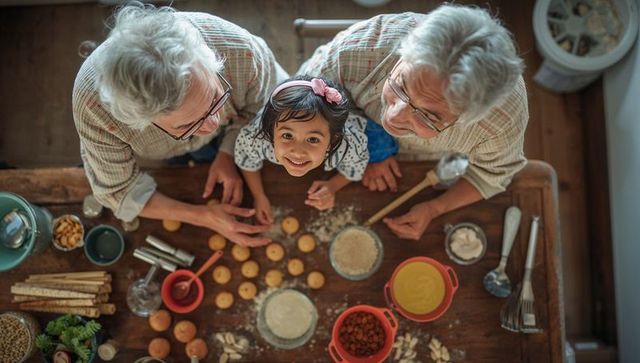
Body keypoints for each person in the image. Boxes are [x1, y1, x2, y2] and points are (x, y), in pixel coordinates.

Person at [297, 4, 528, 240]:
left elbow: (490, 175)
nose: (394, 116)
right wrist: (372, 147)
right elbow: (305, 100)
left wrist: (434, 208)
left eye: (428, 115)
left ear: (468, 119)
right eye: (401, 83)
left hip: (430, 161)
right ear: (403, 54)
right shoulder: (359, 48)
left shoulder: (502, 122)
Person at [72, 3, 287, 246]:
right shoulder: (95, 111)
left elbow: (259, 107)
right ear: (141, 123)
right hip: (167, 151)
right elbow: (120, 190)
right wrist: (202, 216)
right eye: (188, 125)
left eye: (215, 97)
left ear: (209, 60)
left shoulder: (242, 50)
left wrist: (227, 151)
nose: (214, 124)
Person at [234, 76, 369, 225]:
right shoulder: (256, 138)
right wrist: (258, 196)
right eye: (287, 135)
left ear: (332, 141)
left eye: (313, 139)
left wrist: (333, 186)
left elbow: (356, 166)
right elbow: (245, 157)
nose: (298, 152)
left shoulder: (348, 146)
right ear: (271, 134)